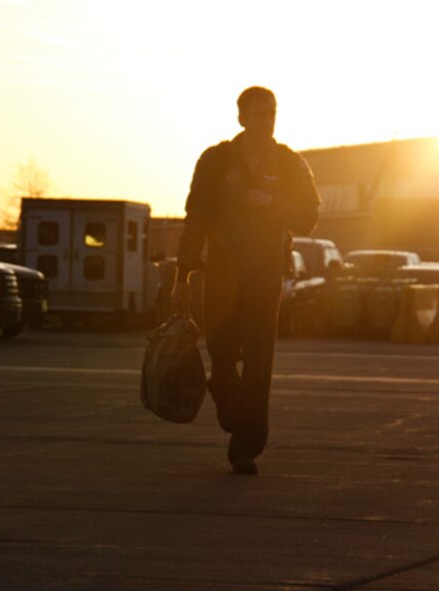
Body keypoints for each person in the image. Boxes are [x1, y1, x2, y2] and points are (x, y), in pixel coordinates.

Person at [172, 86, 320, 474]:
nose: (266, 122)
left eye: (272, 114)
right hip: (222, 275)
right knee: (221, 354)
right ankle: (222, 387)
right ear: (241, 117)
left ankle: (245, 448)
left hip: (265, 276)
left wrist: (271, 203)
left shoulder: (289, 163)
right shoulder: (216, 160)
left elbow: (308, 216)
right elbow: (196, 218)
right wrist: (181, 274)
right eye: (258, 115)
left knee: (258, 361)